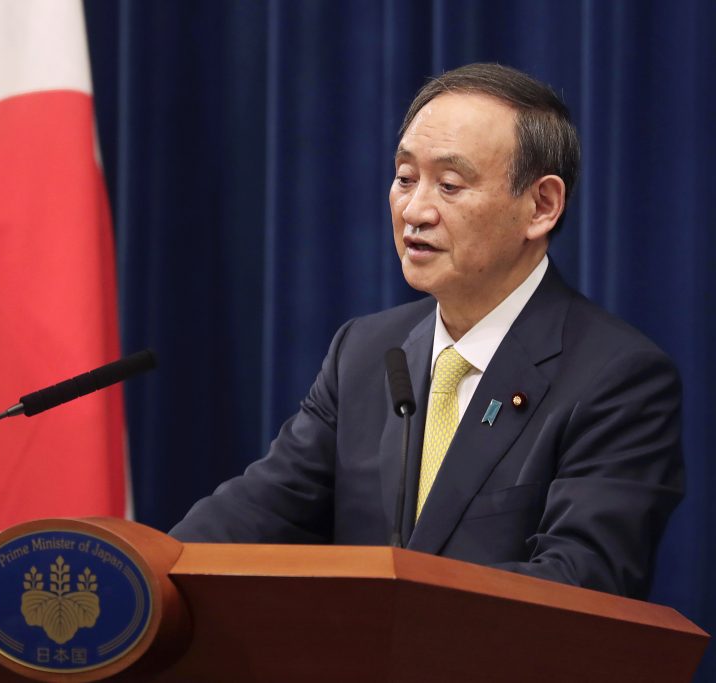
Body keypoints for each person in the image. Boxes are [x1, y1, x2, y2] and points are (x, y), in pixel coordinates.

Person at [170, 63, 683, 600]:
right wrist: (146, 574)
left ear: (541, 205)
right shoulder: (366, 353)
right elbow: (257, 513)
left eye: (451, 185)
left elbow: (581, 584)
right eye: (405, 178)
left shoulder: (617, 377)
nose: (414, 210)